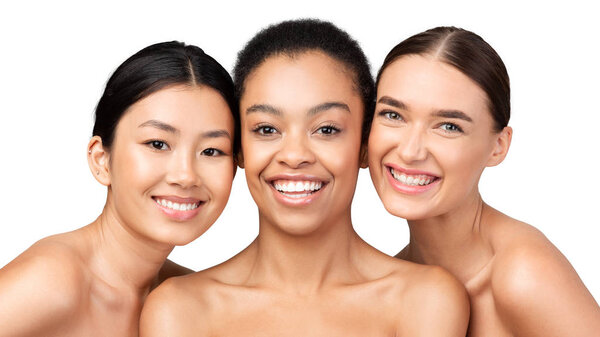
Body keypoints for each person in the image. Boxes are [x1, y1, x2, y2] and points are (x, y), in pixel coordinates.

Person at [140, 19, 469, 337]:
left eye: (326, 129)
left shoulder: (426, 299)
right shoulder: (180, 308)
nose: (294, 155)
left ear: (364, 145)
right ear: (239, 148)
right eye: (267, 129)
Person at [368, 26, 600, 336]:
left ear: (498, 146)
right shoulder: (396, 282)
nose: (410, 151)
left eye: (448, 126)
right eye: (393, 115)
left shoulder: (524, 275)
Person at [0, 41, 238, 337]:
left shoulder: (188, 299)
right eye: (158, 144)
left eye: (212, 150)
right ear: (102, 160)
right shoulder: (50, 282)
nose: (186, 176)